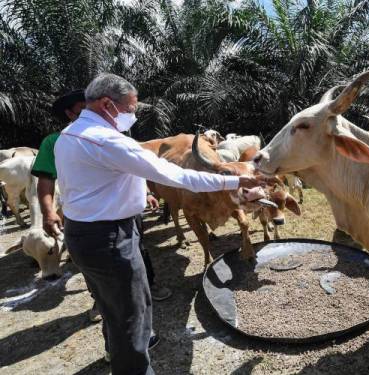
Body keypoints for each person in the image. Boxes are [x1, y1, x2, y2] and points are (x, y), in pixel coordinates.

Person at [55, 73, 267, 375]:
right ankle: (132, 362)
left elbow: (97, 182)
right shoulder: (108, 140)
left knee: (111, 305)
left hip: (80, 234)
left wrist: (139, 194)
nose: (133, 114)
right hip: (111, 237)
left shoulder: (69, 134)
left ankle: (113, 348)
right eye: (130, 108)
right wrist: (235, 179)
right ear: (106, 104)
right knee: (132, 316)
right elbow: (178, 176)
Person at [33, 90, 173, 324]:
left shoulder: (112, 135)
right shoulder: (55, 142)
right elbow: (45, 181)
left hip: (125, 212)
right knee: (95, 264)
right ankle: (101, 300)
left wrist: (146, 192)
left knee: (138, 248)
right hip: (85, 218)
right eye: (81, 111)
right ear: (69, 114)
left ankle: (149, 285)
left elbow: (133, 168)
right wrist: (48, 211)